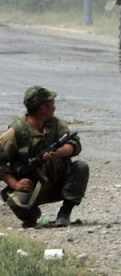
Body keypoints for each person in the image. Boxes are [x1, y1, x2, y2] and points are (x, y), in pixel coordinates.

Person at [0, 86, 89, 228]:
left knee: (81, 167)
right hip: (32, 185)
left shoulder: (55, 124)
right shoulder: (16, 132)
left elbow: (74, 144)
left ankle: (64, 214)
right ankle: (32, 217)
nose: (54, 108)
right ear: (43, 109)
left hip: (57, 180)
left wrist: (59, 153)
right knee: (18, 203)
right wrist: (14, 184)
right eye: (51, 105)